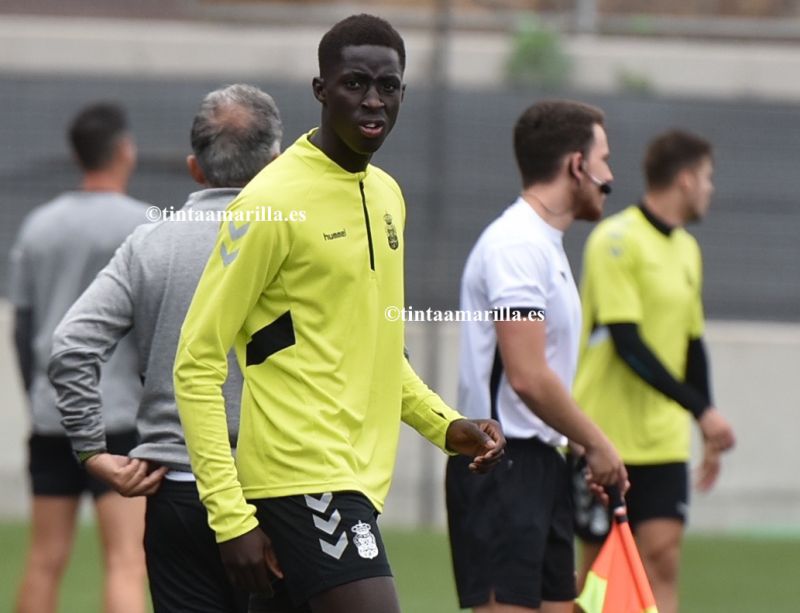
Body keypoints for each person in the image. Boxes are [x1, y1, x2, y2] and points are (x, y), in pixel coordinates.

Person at [173, 14, 506, 613]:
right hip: (301, 475)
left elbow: (379, 350)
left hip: (357, 480)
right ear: (321, 90)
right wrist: (229, 517)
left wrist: (446, 426)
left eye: (388, 86)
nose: (373, 100)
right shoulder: (271, 202)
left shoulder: (388, 197)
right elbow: (196, 361)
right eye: (355, 83)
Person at [48, 84, 283, 613]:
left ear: (194, 168)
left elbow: (71, 345)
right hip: (277, 490)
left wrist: (92, 451)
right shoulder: (302, 240)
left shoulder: (150, 242)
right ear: (276, 164)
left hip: (175, 491)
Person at [446, 100, 629, 613]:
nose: (610, 176)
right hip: (501, 464)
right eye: (605, 159)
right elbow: (526, 375)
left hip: (540, 464)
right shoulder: (517, 245)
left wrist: (579, 447)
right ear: (578, 165)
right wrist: (598, 443)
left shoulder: (543, 245)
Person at [572, 129, 736, 613]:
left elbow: (691, 343)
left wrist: (706, 422)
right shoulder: (615, 240)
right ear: (685, 179)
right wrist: (700, 409)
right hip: (605, 435)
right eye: (707, 177)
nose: (710, 189)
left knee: (662, 560)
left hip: (663, 441)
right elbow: (628, 344)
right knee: (596, 576)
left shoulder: (687, 249)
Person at [9, 102, 149, 613]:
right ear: (125, 150)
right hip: (119, 417)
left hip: (52, 415)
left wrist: (39, 394)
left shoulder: (38, 226)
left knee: (44, 559)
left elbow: (23, 328)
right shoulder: (143, 225)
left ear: (76, 154)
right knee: (126, 561)